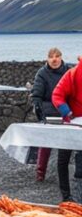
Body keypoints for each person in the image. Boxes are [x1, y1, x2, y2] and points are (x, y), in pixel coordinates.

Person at [31, 48, 69, 181]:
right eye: (51, 56)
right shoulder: (42, 73)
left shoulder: (69, 72)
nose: (54, 59)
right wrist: (40, 113)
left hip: (66, 112)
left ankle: (66, 174)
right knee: (45, 143)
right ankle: (40, 172)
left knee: (67, 144)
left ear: (61, 57)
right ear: (47, 58)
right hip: (48, 113)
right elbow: (36, 95)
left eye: (57, 56)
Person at [53, 55, 82, 201]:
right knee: (63, 158)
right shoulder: (72, 74)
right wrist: (67, 112)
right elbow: (57, 95)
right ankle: (66, 196)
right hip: (71, 122)